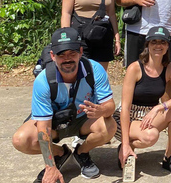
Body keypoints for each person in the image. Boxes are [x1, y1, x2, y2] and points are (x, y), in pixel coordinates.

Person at [12, 28, 117, 182]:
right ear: (53, 56)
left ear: (81, 52)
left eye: (72, 53)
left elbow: (110, 107)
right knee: (21, 140)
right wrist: (50, 167)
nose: (67, 59)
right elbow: (43, 127)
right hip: (53, 124)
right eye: (61, 55)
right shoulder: (43, 81)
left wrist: (101, 110)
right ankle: (60, 154)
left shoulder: (95, 70)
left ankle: (81, 152)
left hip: (84, 119)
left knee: (110, 126)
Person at [118, 26, 171, 180]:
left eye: (162, 42)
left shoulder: (170, 68)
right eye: (154, 42)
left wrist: (159, 107)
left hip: (151, 112)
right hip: (129, 116)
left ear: (167, 46)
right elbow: (125, 107)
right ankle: (127, 146)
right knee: (151, 136)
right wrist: (124, 143)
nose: (158, 46)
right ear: (147, 45)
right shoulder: (135, 68)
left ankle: (169, 155)